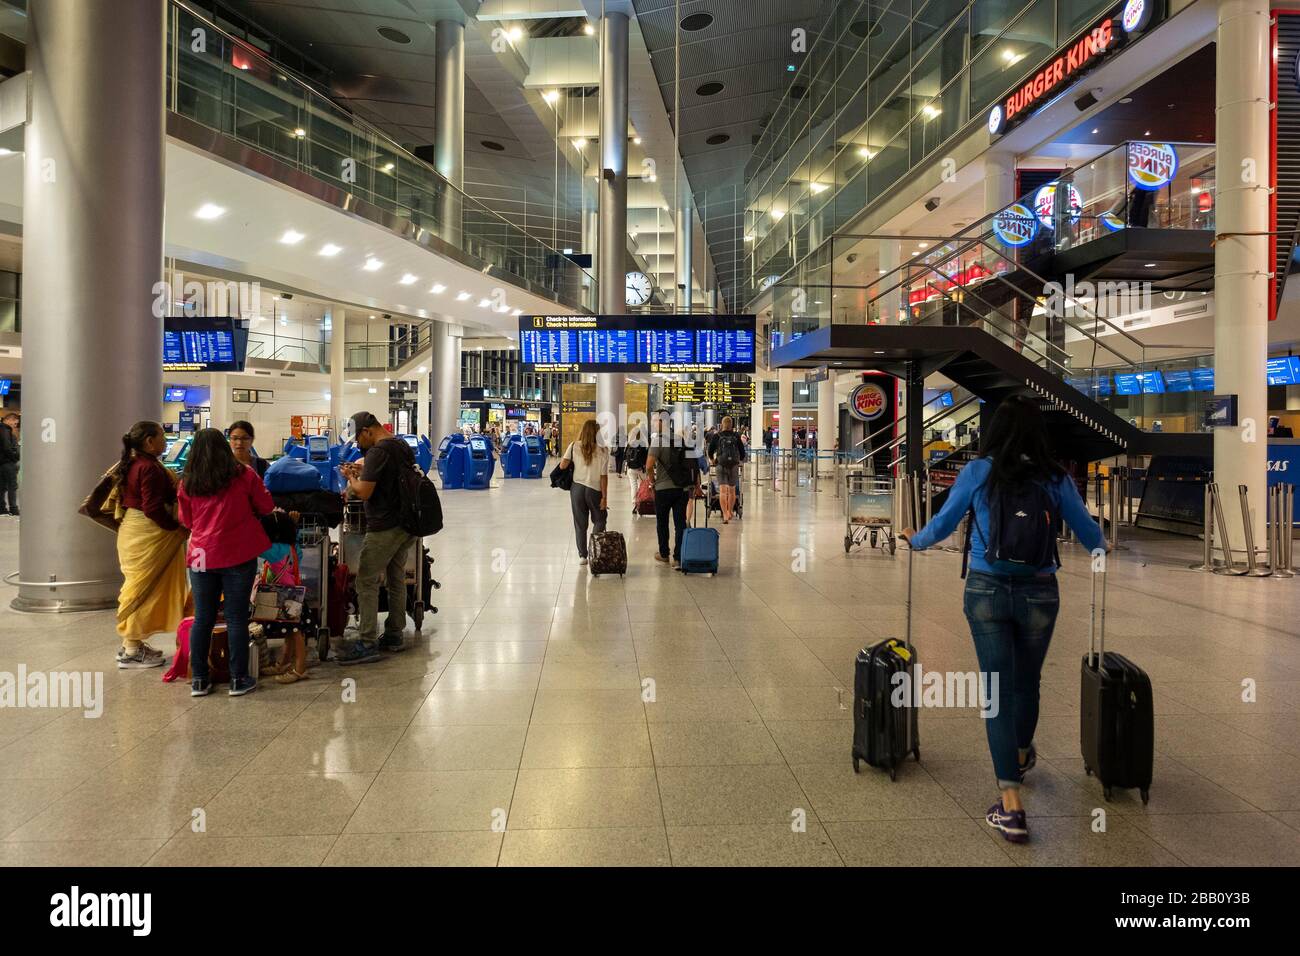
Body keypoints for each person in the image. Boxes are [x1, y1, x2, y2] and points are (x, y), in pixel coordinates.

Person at [904, 395, 1106, 844]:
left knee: (996, 691)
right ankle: (1019, 751)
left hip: (986, 589)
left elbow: (942, 523)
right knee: (1026, 683)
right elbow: (1091, 533)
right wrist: (1100, 548)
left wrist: (915, 541)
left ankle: (1011, 804)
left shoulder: (979, 472)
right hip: (1039, 591)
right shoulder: (1054, 476)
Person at [178, 428, 276, 696]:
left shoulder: (188, 482)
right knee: (235, 617)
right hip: (237, 552)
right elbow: (266, 506)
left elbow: (186, 521)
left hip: (200, 554)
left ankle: (199, 679)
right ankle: (238, 679)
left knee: (203, 618)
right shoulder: (244, 475)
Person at [336, 411, 418, 664]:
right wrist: (363, 470)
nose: (358, 444)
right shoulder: (401, 444)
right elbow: (389, 479)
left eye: (358, 439)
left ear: (367, 431)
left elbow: (365, 492)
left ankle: (368, 641)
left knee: (366, 580)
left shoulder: (377, 451)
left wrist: (351, 477)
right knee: (396, 578)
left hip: (385, 526)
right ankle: (394, 634)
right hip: (407, 524)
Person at [114, 421, 189, 669]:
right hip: (147, 532)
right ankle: (132, 650)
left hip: (134, 529)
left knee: (138, 586)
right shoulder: (149, 468)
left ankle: (131, 644)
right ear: (149, 441)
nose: (165, 442)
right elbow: (152, 508)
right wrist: (175, 528)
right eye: (161, 437)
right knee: (140, 589)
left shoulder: (136, 463)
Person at [646, 412, 702, 567]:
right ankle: (678, 557)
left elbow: (649, 465)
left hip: (663, 489)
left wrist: (652, 482)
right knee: (680, 523)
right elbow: (692, 464)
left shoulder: (658, 441)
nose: (652, 423)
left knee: (662, 522)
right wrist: (696, 485)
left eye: (654, 420)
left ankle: (664, 554)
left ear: (661, 422)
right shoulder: (681, 440)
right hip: (681, 488)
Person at [557, 418, 609, 566]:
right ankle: (594, 548)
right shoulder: (603, 449)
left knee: (580, 523)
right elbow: (603, 477)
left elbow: (562, 465)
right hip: (595, 489)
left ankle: (583, 556)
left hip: (577, 489)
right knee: (600, 519)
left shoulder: (574, 446)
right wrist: (604, 497)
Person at [707, 415, 746, 524]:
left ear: (722, 424)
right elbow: (742, 452)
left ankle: (724, 514)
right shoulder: (736, 436)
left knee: (723, 491)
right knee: (732, 491)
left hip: (720, 465)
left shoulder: (717, 436)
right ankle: (729, 511)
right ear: (731, 425)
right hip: (733, 465)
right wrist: (739, 460)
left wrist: (712, 460)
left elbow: (710, 451)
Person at [625, 422, 650, 507]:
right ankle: (641, 500)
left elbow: (626, 455)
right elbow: (646, 456)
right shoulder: (643, 443)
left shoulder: (630, 443)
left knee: (633, 485)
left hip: (631, 468)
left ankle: (634, 502)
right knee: (643, 484)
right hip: (641, 468)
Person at [0, 411, 18, 516]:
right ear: (9, 420)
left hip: (1, 463)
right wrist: (15, 457)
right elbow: (7, 447)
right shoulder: (5, 430)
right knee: (12, 486)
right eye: (15, 423)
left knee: (2, 487)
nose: (15, 426)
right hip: (8, 462)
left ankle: (2, 509)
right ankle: (14, 509)